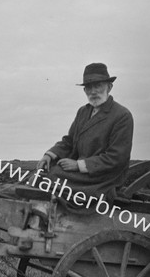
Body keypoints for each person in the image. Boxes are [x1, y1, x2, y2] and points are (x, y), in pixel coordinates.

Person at [36, 63, 134, 210]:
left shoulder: (122, 116)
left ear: (109, 87)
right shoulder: (83, 112)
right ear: (84, 90)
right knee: (42, 173)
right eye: (89, 87)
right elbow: (69, 142)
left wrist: (78, 165)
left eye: (98, 85)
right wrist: (49, 156)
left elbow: (117, 158)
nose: (93, 91)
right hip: (83, 175)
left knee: (51, 176)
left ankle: (52, 212)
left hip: (103, 178)